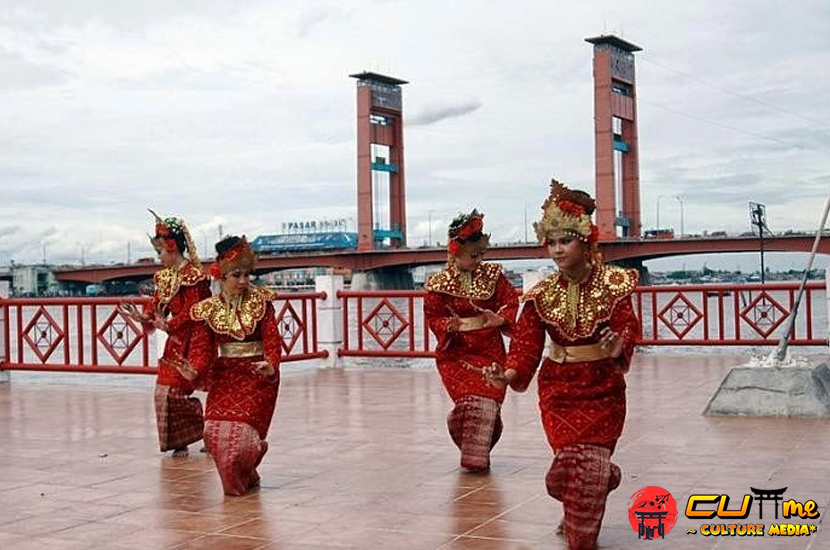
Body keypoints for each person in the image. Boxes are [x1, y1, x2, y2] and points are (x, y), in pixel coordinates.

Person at [486, 180, 640, 550]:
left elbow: (627, 327)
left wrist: (619, 344)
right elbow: (526, 344)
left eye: (564, 241)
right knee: (570, 458)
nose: (556, 250)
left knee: (590, 459)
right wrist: (508, 373)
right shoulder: (541, 295)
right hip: (559, 390)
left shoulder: (614, 285)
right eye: (551, 243)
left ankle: (581, 519)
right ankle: (588, 494)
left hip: (603, 387)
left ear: (585, 241)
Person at [179, 235, 282, 496]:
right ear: (222, 277)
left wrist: (271, 366)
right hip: (224, 375)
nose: (244, 281)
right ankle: (243, 473)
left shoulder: (262, 302)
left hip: (257, 374)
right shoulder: (208, 310)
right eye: (236, 275)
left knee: (241, 438)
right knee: (213, 432)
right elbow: (203, 349)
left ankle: (243, 470)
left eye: (247, 275)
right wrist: (195, 370)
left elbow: (272, 338)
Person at [423, 209, 519, 472]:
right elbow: (433, 316)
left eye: (481, 255)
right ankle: (475, 453)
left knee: (486, 404)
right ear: (455, 252)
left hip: (489, 349)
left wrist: (499, 319)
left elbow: (511, 301)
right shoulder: (438, 283)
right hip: (456, 354)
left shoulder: (493, 277)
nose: (478, 261)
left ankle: (474, 449)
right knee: (470, 404)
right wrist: (447, 326)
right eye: (472, 256)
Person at [122, 210, 210, 457]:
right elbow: (156, 306)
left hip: (198, 339)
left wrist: (167, 326)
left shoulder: (194, 277)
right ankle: (181, 440)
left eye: (160, 251)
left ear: (172, 248)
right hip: (176, 339)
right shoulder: (164, 278)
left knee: (180, 390)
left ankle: (208, 430)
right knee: (164, 391)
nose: (158, 257)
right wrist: (143, 317)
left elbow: (197, 311)